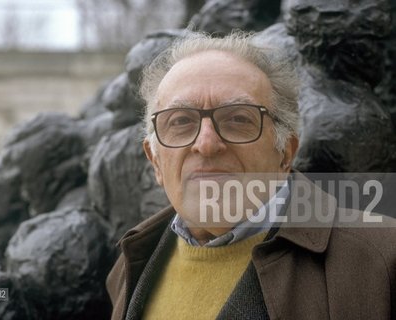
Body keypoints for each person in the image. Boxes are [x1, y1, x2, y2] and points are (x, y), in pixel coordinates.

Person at [106, 31, 396, 320]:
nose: (206, 144)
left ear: (285, 152)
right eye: (181, 121)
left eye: (237, 119)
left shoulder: (381, 261)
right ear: (155, 161)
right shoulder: (129, 266)